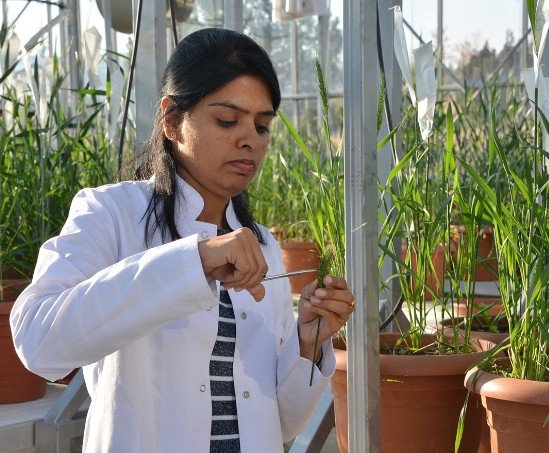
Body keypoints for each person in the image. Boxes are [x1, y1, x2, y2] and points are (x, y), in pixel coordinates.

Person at [10, 28, 354, 453]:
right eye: (228, 120)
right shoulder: (111, 214)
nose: (250, 140)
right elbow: (38, 343)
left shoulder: (262, 244)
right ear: (172, 120)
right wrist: (195, 262)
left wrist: (308, 341)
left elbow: (279, 421)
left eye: (262, 126)